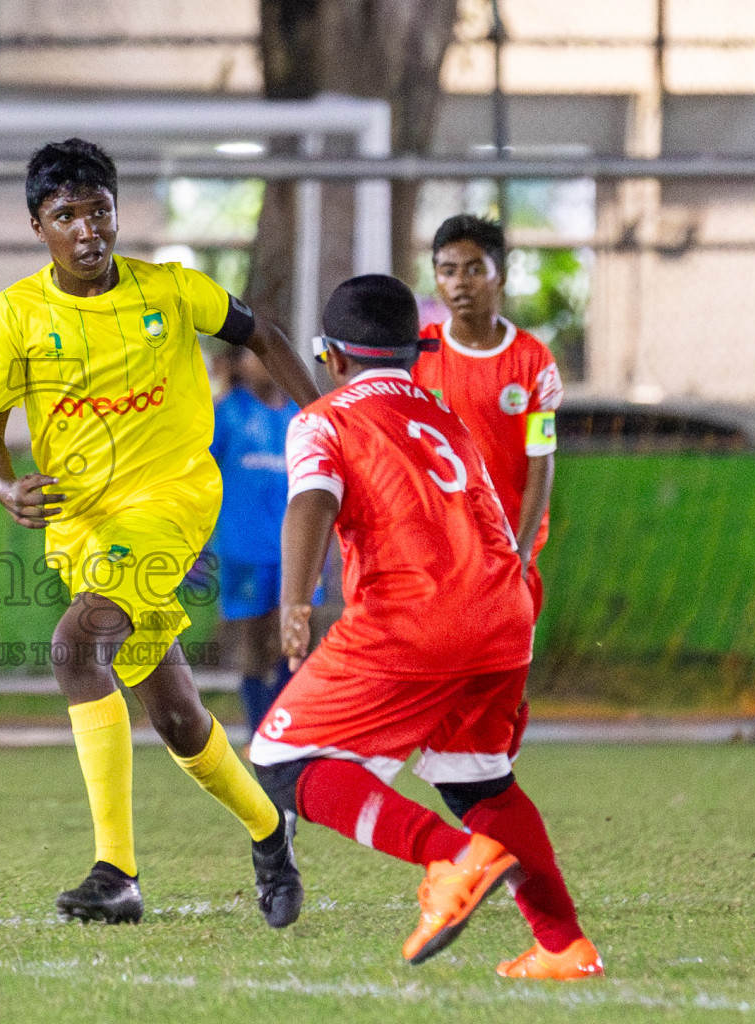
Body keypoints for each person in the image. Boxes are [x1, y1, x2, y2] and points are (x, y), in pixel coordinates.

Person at [0, 139, 319, 928]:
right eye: (66, 216)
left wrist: (328, 419)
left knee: (73, 647)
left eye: (100, 211)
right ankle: (271, 828)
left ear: (117, 212)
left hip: (172, 503)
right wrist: (0, 483)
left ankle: (116, 871)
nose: (88, 229)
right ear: (38, 226)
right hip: (82, 530)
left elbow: (262, 335)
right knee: (177, 716)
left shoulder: (174, 290)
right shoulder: (14, 316)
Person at [250, 274, 602, 979]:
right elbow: (493, 522)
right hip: (504, 612)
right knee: (481, 782)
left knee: (279, 764)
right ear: (416, 351)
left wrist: (295, 599)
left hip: (413, 620)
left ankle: (449, 857)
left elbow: (311, 503)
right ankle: (564, 945)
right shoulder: (447, 418)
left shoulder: (325, 418)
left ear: (333, 357)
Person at [413, 214, 562, 617]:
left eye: (475, 269)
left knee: (503, 671)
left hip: (505, 546)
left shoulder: (533, 361)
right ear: (436, 278)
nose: (460, 282)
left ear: (502, 276)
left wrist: (522, 546)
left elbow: (540, 457)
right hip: (437, 550)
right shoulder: (417, 354)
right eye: (448, 271)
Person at [209, 346, 340, 732]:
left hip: (298, 550)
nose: (262, 361)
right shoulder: (227, 413)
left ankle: (288, 727)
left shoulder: (300, 414)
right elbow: (201, 471)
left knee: (301, 635)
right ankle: (258, 729)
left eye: (267, 353)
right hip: (243, 548)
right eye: (252, 355)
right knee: (255, 640)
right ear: (237, 363)